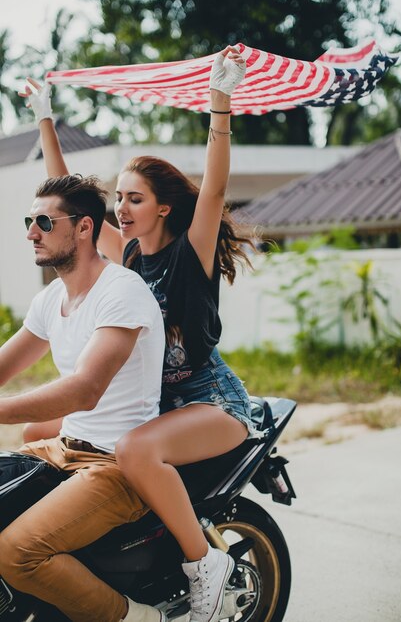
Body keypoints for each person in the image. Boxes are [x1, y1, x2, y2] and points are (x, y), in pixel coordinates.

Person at [20, 45, 259, 622]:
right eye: (119, 199)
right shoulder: (124, 255)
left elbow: (216, 189)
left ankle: (206, 564)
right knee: (34, 427)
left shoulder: (189, 254)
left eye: (134, 199)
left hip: (207, 399)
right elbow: (67, 196)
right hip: (153, 402)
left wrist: (220, 100)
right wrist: (44, 115)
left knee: (133, 449)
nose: (120, 208)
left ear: (165, 208)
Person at [0, 174, 167, 622]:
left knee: (15, 552)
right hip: (64, 449)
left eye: (43, 222)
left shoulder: (121, 291)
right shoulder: (53, 297)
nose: (31, 232)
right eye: (28, 221)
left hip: (117, 467)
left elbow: (85, 390)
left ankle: (135, 617)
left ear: (83, 228)